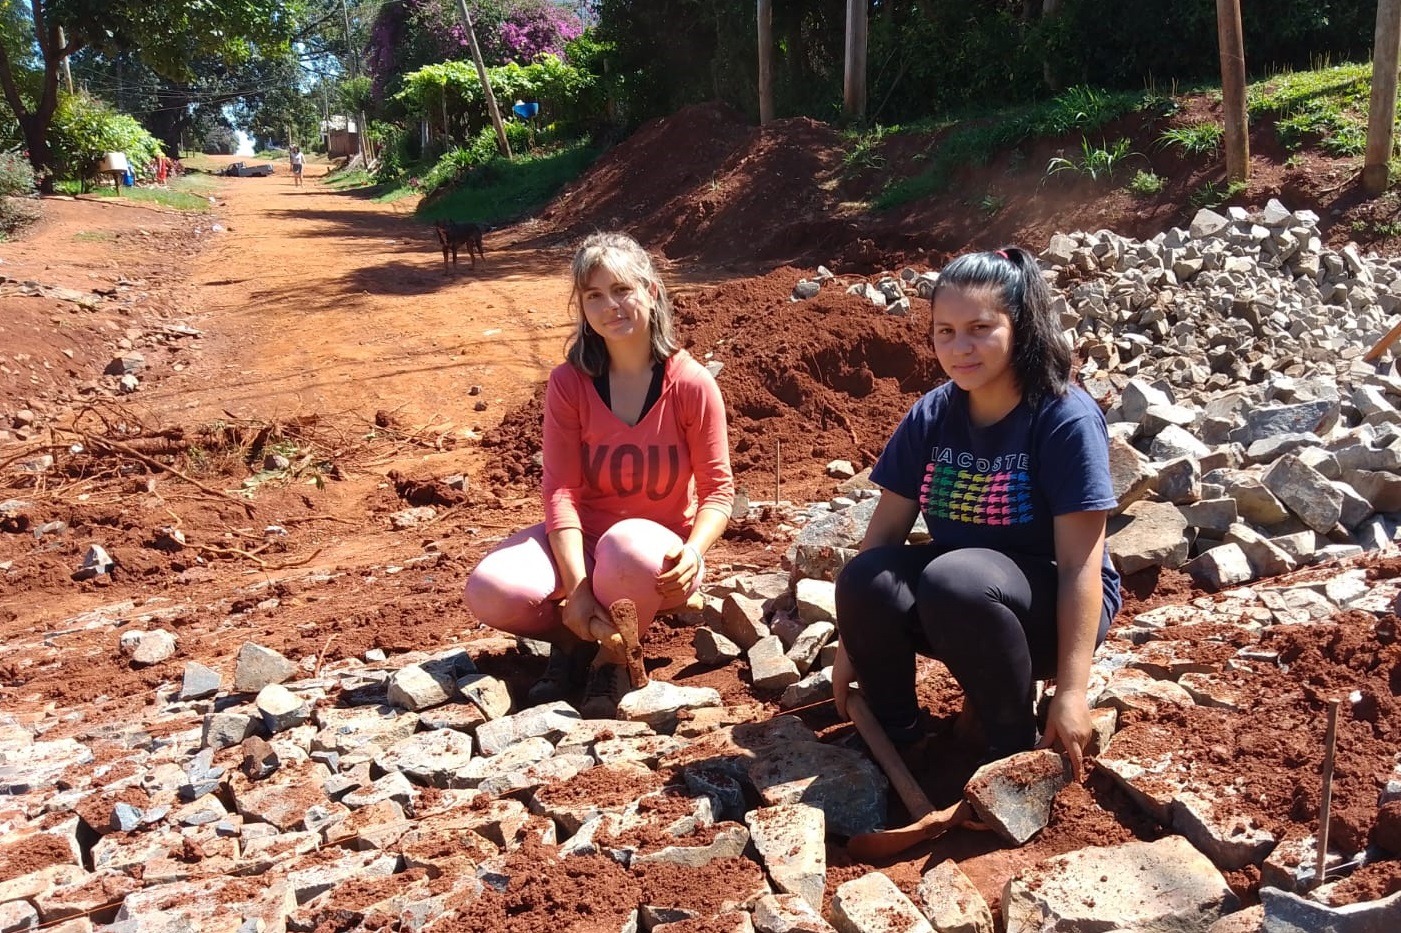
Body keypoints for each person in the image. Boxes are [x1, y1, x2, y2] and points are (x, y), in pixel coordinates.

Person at [831, 246, 1120, 781]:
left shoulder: (1062, 418)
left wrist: (1073, 692)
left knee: (952, 576)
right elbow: (885, 533)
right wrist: (851, 643)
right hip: (962, 604)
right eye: (945, 331)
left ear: (1021, 326)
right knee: (867, 577)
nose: (960, 348)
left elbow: (1082, 565)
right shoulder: (935, 412)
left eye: (979, 328)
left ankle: (1012, 754)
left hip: (1050, 609)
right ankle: (900, 741)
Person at [464, 232, 734, 717]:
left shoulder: (692, 385)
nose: (610, 305)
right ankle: (575, 640)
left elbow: (718, 491)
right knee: (490, 590)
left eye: (622, 289)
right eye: (594, 295)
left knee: (625, 545)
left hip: (656, 555)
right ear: (582, 306)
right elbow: (561, 491)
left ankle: (614, 658)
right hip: (585, 544)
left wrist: (694, 551)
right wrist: (579, 587)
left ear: (651, 292)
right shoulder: (569, 384)